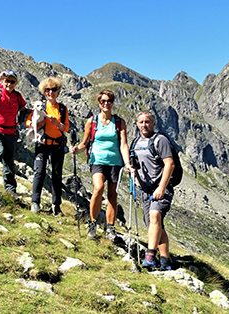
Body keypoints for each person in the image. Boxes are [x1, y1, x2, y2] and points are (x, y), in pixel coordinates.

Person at [70, 89, 133, 241]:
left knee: (113, 196)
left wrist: (127, 164)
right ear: (99, 102)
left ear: (112, 103)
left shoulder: (119, 122)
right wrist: (76, 149)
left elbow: (123, 144)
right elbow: (84, 143)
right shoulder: (92, 121)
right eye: (103, 101)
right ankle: (93, 223)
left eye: (109, 101)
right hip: (97, 160)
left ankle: (110, 228)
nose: (106, 103)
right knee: (98, 188)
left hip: (115, 163)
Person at [131, 110, 175, 270]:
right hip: (145, 190)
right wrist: (134, 176)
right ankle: (165, 261)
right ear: (137, 124)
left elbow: (170, 164)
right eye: (141, 122)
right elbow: (136, 164)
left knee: (155, 216)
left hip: (161, 189)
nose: (144, 125)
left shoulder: (160, 140)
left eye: (147, 122)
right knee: (156, 226)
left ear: (154, 124)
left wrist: (161, 188)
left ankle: (149, 257)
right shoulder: (135, 142)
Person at [25, 77, 69, 216]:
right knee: (39, 172)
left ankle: (56, 206)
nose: (51, 92)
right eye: (47, 90)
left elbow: (66, 127)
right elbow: (27, 122)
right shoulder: (40, 106)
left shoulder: (62, 109)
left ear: (58, 91)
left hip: (57, 145)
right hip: (42, 144)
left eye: (54, 89)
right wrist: (35, 125)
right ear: (44, 92)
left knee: (57, 175)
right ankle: (35, 202)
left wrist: (58, 125)